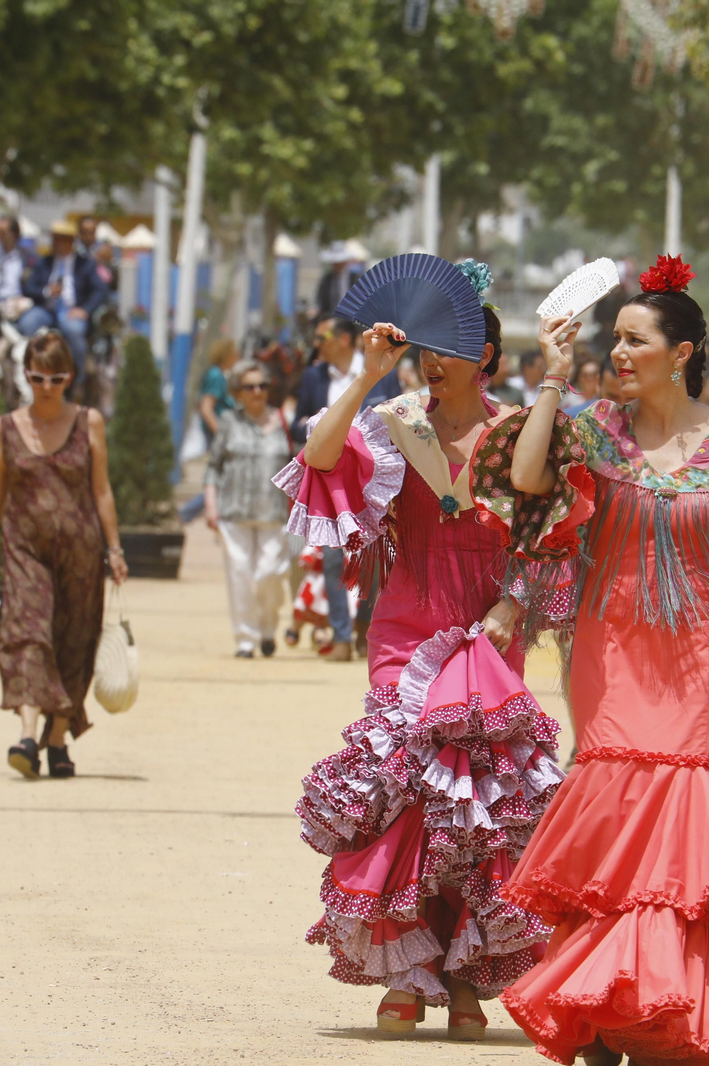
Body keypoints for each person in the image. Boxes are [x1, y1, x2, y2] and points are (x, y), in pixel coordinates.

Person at [485, 255, 709, 1066]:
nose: (619, 355)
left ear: (684, 350)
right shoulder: (592, 429)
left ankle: (656, 1013)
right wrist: (555, 379)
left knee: (675, 841)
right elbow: (525, 479)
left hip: (703, 655)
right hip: (611, 648)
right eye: (614, 342)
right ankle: (598, 1012)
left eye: (635, 341)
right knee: (615, 826)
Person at [278, 266, 564, 1039]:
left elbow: (549, 545)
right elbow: (319, 457)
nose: (436, 362)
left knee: (475, 803)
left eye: (457, 348)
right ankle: (408, 967)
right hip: (406, 631)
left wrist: (514, 603)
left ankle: (465, 974)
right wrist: (366, 374)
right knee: (407, 787)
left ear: (492, 358)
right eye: (427, 348)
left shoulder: (518, 434)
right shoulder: (392, 420)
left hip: (490, 635)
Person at [0, 330, 128, 780]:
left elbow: (102, 490)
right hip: (24, 549)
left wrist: (114, 549)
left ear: (69, 378)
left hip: (81, 550)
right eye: (38, 377)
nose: (46, 387)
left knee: (75, 641)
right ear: (25, 375)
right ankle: (26, 733)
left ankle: (57, 739)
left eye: (56, 378)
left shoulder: (89, 422)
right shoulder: (5, 428)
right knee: (28, 632)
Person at [292, 316, 401, 660]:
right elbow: (297, 422)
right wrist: (315, 428)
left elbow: (397, 417)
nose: (316, 342)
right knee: (331, 558)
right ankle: (340, 635)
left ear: (341, 339)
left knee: (371, 556)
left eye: (321, 335)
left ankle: (361, 630)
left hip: (368, 478)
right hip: (328, 478)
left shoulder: (382, 366)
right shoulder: (313, 376)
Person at [205, 359, 294, 658]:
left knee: (270, 574)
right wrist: (210, 503)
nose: (257, 392)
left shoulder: (285, 420)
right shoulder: (229, 421)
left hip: (274, 512)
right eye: (250, 387)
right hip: (234, 511)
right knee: (240, 575)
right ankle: (246, 638)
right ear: (238, 392)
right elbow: (214, 466)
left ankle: (268, 628)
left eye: (262, 386)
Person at [18, 220, 104, 363]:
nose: (56, 243)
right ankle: (35, 368)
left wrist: (85, 310)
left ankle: (78, 378)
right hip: (47, 309)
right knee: (27, 323)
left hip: (71, 312)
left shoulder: (85, 264)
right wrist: (46, 291)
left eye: (61, 239)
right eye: (55, 238)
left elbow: (100, 290)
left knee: (74, 331)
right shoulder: (44, 262)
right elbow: (29, 287)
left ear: (70, 242)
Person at [314, 239, 367, 315]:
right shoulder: (327, 279)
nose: (337, 265)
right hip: (330, 318)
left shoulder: (355, 278)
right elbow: (321, 300)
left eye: (339, 262)